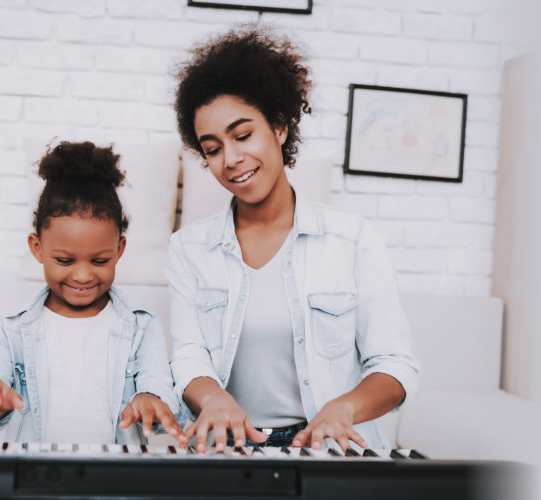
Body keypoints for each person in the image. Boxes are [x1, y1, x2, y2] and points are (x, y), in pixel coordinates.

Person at [166, 24, 421, 452]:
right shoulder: (188, 249)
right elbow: (188, 355)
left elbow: (395, 365)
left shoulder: (353, 239)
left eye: (243, 135)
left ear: (280, 127)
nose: (231, 159)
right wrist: (214, 400)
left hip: (328, 450)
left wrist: (344, 408)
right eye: (212, 148)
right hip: (230, 449)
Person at [0, 141, 186, 445]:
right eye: (64, 260)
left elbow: (161, 393)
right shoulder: (11, 329)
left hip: (114, 482)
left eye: (100, 260)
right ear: (37, 249)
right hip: (38, 482)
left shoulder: (143, 327)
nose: (82, 275)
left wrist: (151, 400)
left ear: (119, 250)